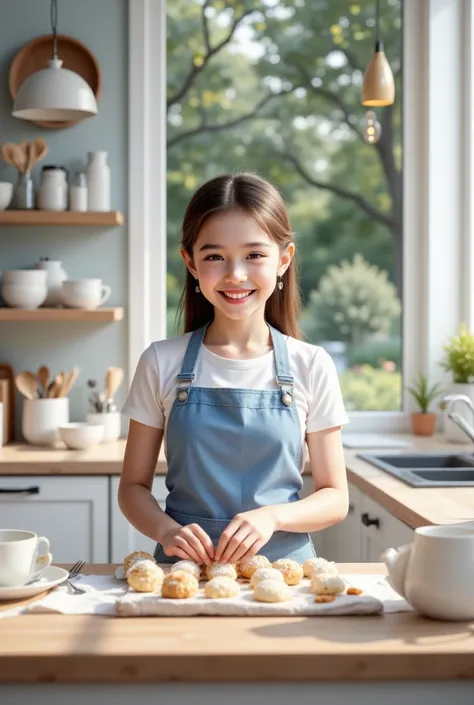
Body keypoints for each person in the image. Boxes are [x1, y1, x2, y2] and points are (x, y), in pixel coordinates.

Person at [119, 171, 350, 567]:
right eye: (214, 256)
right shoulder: (160, 361)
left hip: (283, 574)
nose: (235, 274)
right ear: (190, 263)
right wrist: (165, 530)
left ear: (284, 259)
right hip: (183, 574)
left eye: (254, 255)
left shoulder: (311, 365)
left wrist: (274, 516)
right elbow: (132, 488)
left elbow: (335, 496)